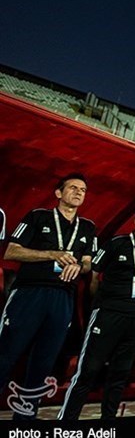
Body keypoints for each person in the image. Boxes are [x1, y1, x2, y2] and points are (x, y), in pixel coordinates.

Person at [0, 173, 97, 420]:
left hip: (63, 298)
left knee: (43, 363)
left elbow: (88, 263)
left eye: (83, 190)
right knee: (7, 354)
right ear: (58, 193)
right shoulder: (37, 216)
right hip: (30, 293)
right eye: (73, 188)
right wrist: (51, 254)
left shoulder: (87, 227)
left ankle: (24, 420)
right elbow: (11, 252)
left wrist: (79, 266)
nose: (78, 192)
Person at [58, 204, 135, 420]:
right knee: (88, 370)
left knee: (120, 373)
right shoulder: (117, 243)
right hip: (109, 314)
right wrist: (104, 303)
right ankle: (67, 420)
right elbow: (94, 276)